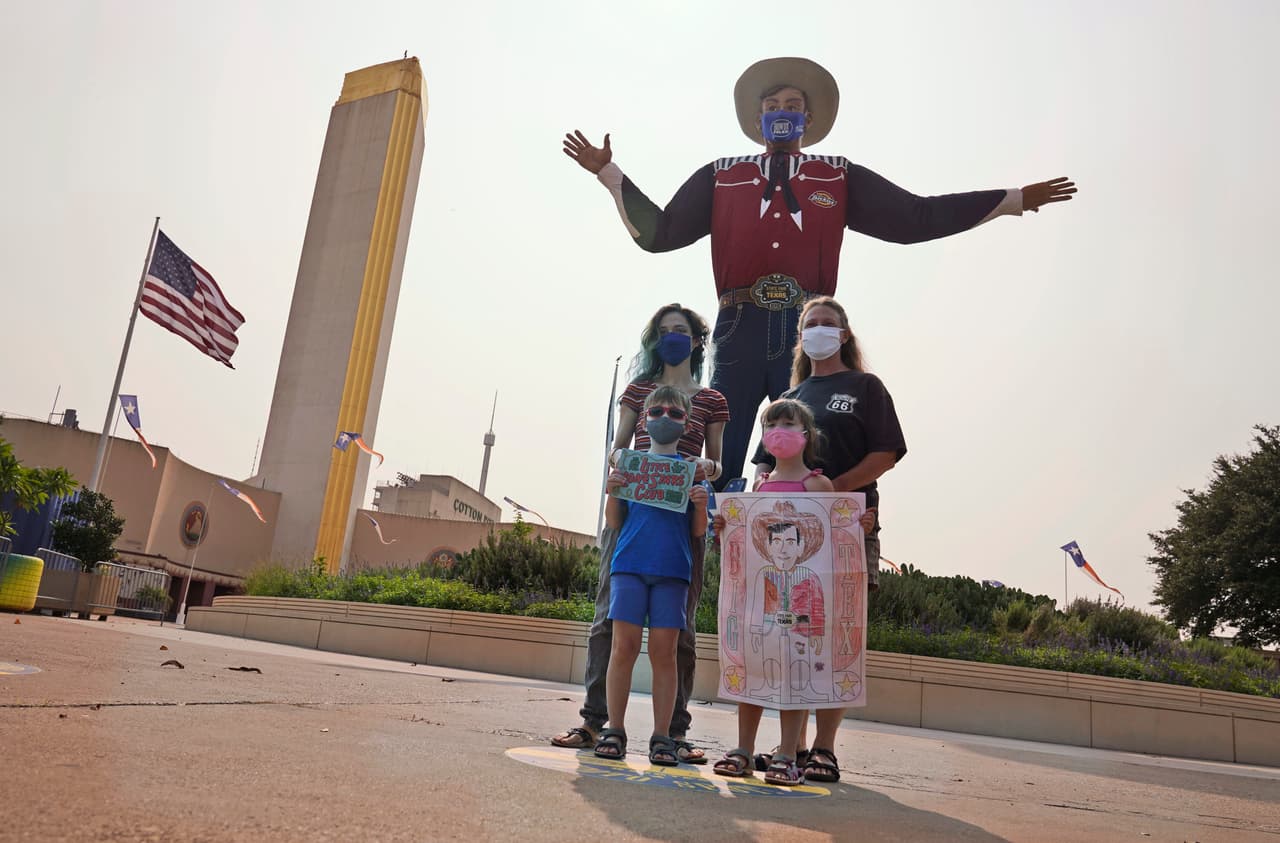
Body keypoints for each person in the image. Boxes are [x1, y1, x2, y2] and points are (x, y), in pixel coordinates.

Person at [563, 56, 1075, 490]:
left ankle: (809, 548)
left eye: (792, 105)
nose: (781, 113)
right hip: (739, 326)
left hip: (804, 331)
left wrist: (1011, 200)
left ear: (807, 119)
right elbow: (661, 233)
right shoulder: (723, 175)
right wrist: (608, 173)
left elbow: (914, 218)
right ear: (758, 118)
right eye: (772, 105)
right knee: (717, 453)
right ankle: (707, 555)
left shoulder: (837, 174)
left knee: (807, 447)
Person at [551, 304, 727, 763]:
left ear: (696, 340)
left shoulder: (711, 400)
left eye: (680, 330)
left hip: (682, 521)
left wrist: (703, 469)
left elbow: (718, 460)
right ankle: (596, 721)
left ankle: (673, 731)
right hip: (632, 517)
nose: (672, 337)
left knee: (680, 631)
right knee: (607, 622)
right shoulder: (638, 390)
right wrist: (624, 467)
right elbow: (619, 447)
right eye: (664, 331)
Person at [751, 296, 907, 784]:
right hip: (788, 538)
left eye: (827, 323)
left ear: (844, 334)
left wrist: (829, 493)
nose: (818, 330)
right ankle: (791, 746)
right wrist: (758, 502)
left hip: (846, 529)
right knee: (790, 633)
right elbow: (763, 462)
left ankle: (824, 747)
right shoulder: (790, 395)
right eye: (810, 324)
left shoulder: (865, 387)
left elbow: (886, 453)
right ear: (800, 337)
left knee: (837, 634)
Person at [593, 386, 710, 765]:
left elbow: (698, 531)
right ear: (643, 421)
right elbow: (614, 521)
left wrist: (700, 505)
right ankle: (614, 728)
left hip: (673, 571)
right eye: (657, 411)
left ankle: (662, 736)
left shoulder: (691, 473)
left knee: (665, 653)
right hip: (628, 566)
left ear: (688, 425)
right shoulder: (630, 465)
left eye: (675, 413)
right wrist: (613, 492)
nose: (665, 418)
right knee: (622, 648)